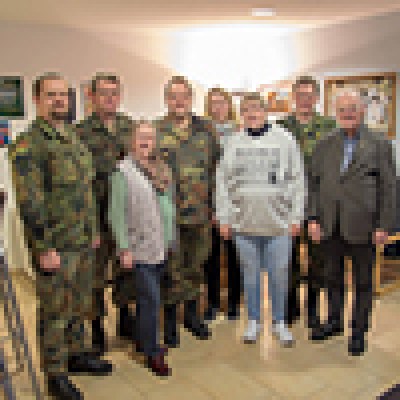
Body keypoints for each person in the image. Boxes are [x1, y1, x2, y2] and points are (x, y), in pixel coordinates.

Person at [9, 73, 112, 400]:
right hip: (56, 245)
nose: (59, 100)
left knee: (79, 305)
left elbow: (86, 191)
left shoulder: (74, 139)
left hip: (82, 241)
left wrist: (93, 232)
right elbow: (30, 202)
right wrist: (43, 248)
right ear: (37, 100)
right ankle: (54, 373)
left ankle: (76, 354)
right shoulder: (30, 144)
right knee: (55, 311)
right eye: (51, 95)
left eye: (63, 95)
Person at [308, 90, 396, 356]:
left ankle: (358, 332)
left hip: (364, 226)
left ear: (362, 111)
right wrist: (313, 218)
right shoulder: (325, 143)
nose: (347, 113)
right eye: (342, 109)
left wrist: (383, 225)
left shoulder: (380, 143)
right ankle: (334, 322)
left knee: (363, 283)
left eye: (353, 108)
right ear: (336, 113)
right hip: (330, 224)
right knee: (332, 278)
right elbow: (314, 184)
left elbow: (389, 188)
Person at [216, 92, 305, 346]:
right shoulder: (233, 142)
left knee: (279, 275)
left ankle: (279, 322)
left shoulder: (284, 139)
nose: (252, 113)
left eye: (256, 108)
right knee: (250, 275)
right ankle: (253, 320)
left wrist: (296, 216)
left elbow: (297, 180)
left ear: (265, 111)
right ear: (241, 114)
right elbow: (222, 182)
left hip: (279, 224)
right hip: (244, 223)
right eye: (246, 109)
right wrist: (224, 218)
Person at [156, 76, 221, 347]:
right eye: (173, 96)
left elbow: (218, 171)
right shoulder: (156, 130)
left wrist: (217, 208)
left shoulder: (207, 129)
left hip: (200, 214)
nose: (178, 101)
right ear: (166, 100)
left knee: (195, 268)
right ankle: (170, 322)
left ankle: (192, 317)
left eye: (183, 96)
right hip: (168, 216)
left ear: (191, 99)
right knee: (171, 270)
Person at [76, 73, 136, 355]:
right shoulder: (80, 132)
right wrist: (88, 225)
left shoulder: (130, 127)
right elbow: (80, 183)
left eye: (114, 93)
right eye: (103, 93)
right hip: (97, 217)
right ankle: (97, 327)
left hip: (125, 216)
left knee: (126, 270)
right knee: (96, 276)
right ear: (92, 96)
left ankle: (125, 318)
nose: (109, 98)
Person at [108, 120, 174, 376]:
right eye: (141, 137)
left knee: (152, 299)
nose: (146, 141)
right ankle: (151, 352)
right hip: (139, 247)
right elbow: (116, 214)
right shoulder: (122, 172)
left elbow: (167, 206)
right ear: (132, 141)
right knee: (150, 300)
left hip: (161, 244)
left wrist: (171, 238)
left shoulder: (161, 168)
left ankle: (144, 340)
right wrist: (124, 248)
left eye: (150, 137)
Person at [278, 76, 336, 331]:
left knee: (317, 259)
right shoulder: (280, 127)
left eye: (310, 95)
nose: (305, 99)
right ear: (294, 97)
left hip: (318, 204)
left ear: (317, 98)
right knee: (287, 258)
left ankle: (312, 308)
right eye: (301, 95)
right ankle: (290, 306)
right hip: (287, 204)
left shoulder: (329, 126)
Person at [203, 87, 242, 322]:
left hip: (236, 204)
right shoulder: (203, 132)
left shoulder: (241, 132)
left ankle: (234, 302)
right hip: (210, 203)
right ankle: (213, 303)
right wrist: (212, 207)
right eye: (213, 103)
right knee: (212, 258)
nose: (218, 107)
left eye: (222, 102)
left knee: (235, 257)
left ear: (229, 105)